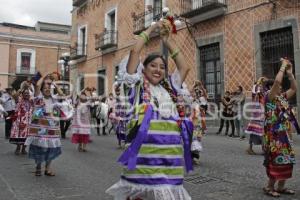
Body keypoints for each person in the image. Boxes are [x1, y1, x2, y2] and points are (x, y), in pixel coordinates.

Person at [106, 19, 192, 200]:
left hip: (170, 158)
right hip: (144, 159)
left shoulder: (171, 87)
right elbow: (135, 51)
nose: (158, 70)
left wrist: (166, 40)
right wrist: (152, 29)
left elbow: (184, 67)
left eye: (162, 67)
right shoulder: (135, 85)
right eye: (153, 65)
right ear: (143, 69)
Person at [262, 58, 297, 197]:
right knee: (275, 160)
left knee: (287, 160)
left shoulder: (282, 98)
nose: (281, 88)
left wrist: (290, 74)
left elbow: (294, 88)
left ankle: (281, 186)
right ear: (271, 88)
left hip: (285, 135)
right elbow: (277, 82)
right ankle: (269, 187)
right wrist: (282, 66)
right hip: (273, 135)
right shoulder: (268, 97)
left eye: (281, 87)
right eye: (278, 87)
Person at [25, 73, 63, 177]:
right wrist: (45, 76)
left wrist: (54, 83)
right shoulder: (38, 96)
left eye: (49, 87)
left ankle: (47, 169)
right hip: (40, 129)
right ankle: (38, 167)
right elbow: (37, 85)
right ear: (42, 88)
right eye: (45, 87)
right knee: (39, 148)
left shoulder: (54, 98)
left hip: (52, 128)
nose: (47, 89)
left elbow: (62, 94)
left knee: (51, 148)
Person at [9, 87, 34, 155]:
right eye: (25, 93)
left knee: (27, 136)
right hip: (19, 121)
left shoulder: (31, 101)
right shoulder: (19, 100)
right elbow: (14, 96)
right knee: (19, 135)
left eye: (28, 93)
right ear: (22, 94)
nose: (26, 94)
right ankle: (18, 148)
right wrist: (20, 90)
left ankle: (23, 149)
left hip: (29, 122)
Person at [245, 77, 266, 155]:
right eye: (260, 85)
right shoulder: (255, 92)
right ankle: (262, 148)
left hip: (260, 113)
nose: (261, 87)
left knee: (258, 131)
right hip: (257, 114)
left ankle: (252, 148)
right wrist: (259, 80)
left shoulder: (262, 93)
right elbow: (256, 90)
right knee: (259, 130)